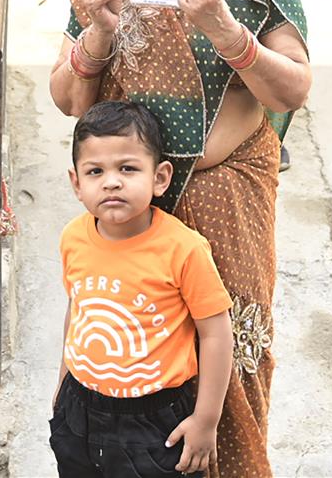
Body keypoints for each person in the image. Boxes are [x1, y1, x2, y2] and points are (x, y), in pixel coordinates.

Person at [50, 0, 312, 477]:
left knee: (232, 357)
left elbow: (292, 89)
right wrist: (100, 29)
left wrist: (228, 32)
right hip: (129, 203)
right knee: (134, 347)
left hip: (225, 202)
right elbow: (68, 97)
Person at [50, 100, 233, 478]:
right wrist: (64, 382)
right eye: (95, 171)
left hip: (155, 424)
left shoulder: (184, 249)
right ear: (77, 183)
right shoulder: (73, 238)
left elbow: (216, 334)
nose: (111, 181)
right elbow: (80, 308)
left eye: (128, 168)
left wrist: (205, 420)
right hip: (79, 409)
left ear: (160, 177)